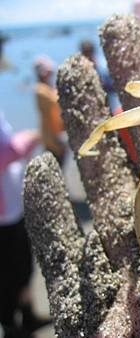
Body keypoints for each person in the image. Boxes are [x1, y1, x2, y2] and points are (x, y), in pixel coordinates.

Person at [0, 112, 51, 337]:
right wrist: (27, 140)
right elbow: (6, 153)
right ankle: (10, 325)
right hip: (2, 217)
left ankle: (28, 316)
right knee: (6, 275)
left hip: (14, 205)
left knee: (24, 266)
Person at [33, 56, 66, 166]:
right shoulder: (40, 90)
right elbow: (56, 102)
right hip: (50, 139)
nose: (51, 74)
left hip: (57, 135)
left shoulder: (49, 88)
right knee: (54, 171)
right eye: (49, 72)